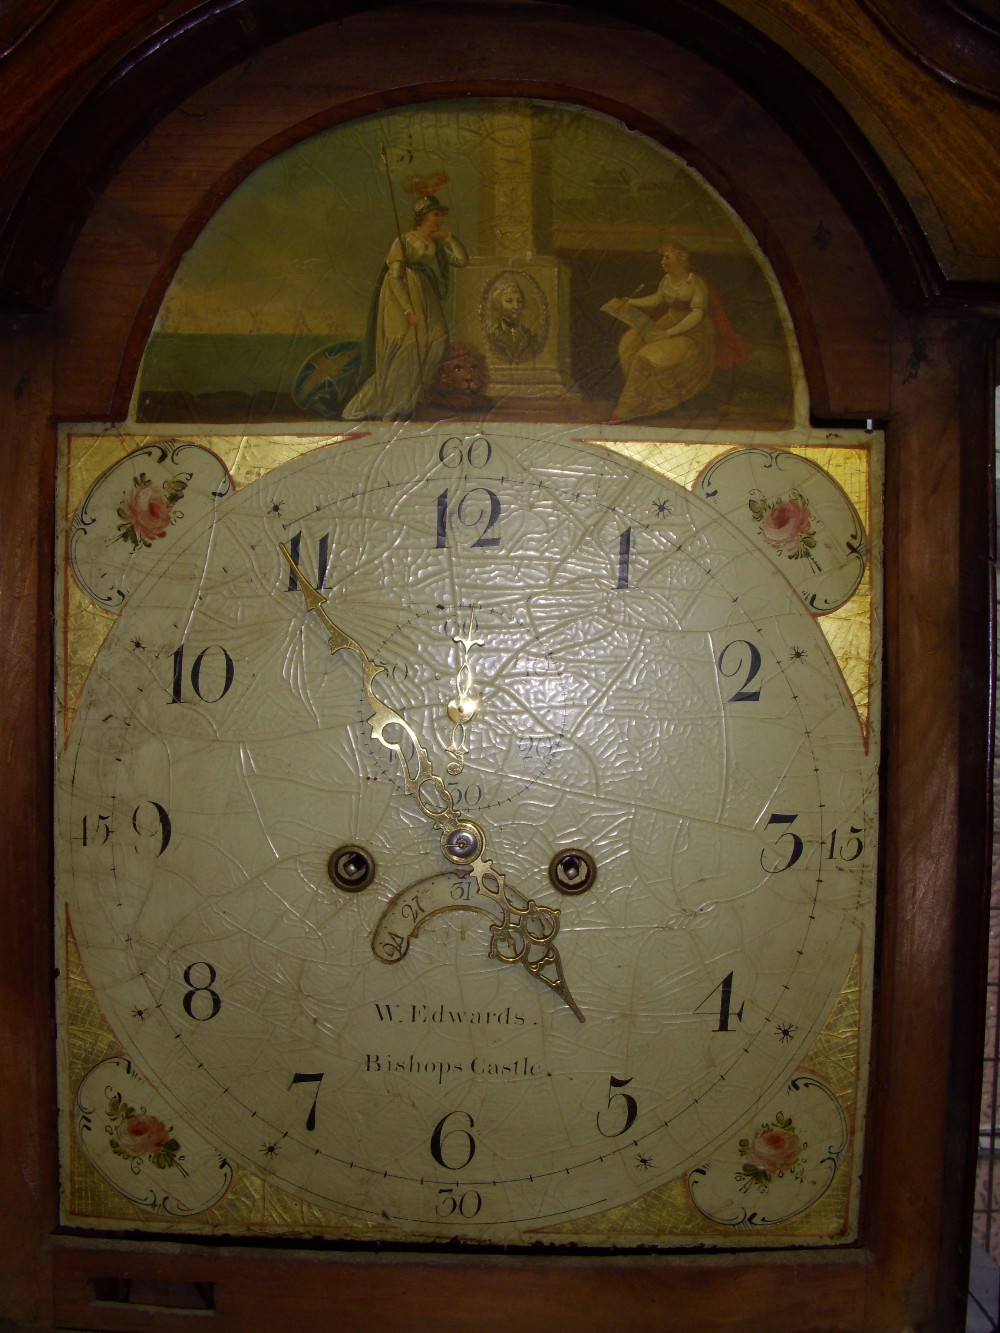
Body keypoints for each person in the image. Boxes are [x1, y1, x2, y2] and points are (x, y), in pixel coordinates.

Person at [344, 194, 468, 420]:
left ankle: (407, 400)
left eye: (441, 215)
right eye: (435, 214)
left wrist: (448, 237)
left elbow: (461, 260)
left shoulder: (436, 243)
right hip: (400, 296)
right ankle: (389, 405)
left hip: (425, 293)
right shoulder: (404, 241)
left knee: (438, 340)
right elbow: (395, 278)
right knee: (408, 350)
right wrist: (407, 310)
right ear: (423, 217)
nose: (439, 219)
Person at [606, 242, 749, 421]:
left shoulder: (696, 283)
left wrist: (667, 334)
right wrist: (630, 302)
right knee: (629, 343)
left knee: (645, 357)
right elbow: (658, 298)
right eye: (662, 257)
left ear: (681, 259)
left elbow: (697, 314)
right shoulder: (666, 280)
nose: (662, 262)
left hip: (691, 331)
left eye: (667, 257)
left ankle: (628, 408)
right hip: (669, 321)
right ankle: (643, 398)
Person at [486, 275, 540, 363]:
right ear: (498, 305)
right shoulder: (492, 336)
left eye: (519, 301)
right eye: (509, 301)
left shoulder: (529, 335)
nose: (516, 306)